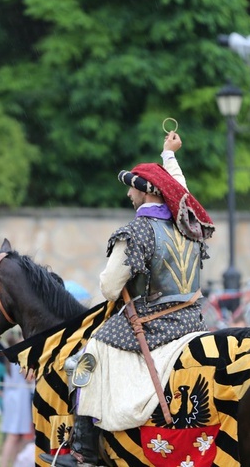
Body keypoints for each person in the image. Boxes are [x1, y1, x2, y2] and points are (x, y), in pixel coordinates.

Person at [45, 131, 214, 466]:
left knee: (85, 357)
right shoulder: (187, 221)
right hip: (192, 319)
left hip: (153, 324)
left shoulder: (135, 232)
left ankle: (84, 451)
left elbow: (109, 289)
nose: (128, 193)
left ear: (147, 190)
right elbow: (180, 187)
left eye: (132, 187)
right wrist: (169, 155)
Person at [0, 334, 34, 467]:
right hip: (18, 398)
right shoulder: (20, 356)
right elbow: (28, 377)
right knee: (13, 435)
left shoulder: (11, 355)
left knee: (18, 434)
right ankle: (4, 464)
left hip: (14, 397)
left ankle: (14, 463)